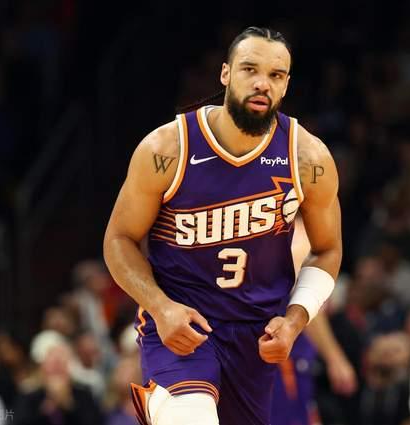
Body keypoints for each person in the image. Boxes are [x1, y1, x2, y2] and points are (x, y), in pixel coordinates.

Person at [103, 26, 341, 425]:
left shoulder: (308, 157)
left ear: (285, 85)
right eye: (250, 69)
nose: (262, 83)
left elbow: (328, 249)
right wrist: (160, 307)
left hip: (255, 335)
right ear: (226, 74)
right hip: (181, 324)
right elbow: (119, 238)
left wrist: (295, 319)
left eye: (276, 75)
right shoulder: (168, 148)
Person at [271, 218, 356, 425]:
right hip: (285, 356)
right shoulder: (299, 235)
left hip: (290, 353)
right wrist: (335, 358)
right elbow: (304, 306)